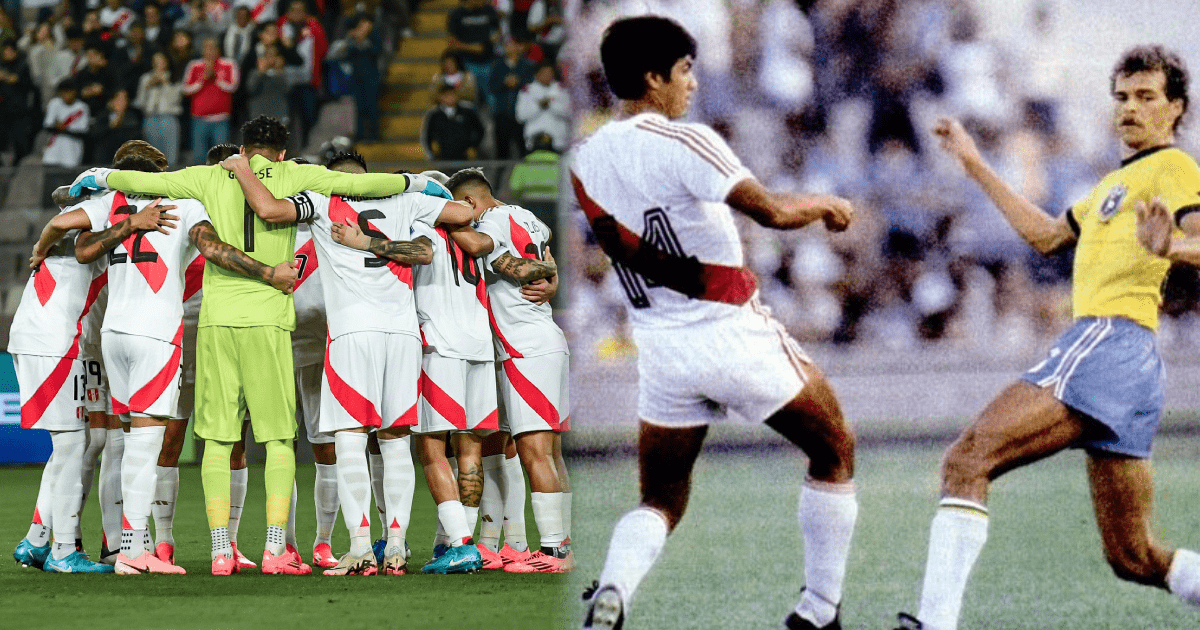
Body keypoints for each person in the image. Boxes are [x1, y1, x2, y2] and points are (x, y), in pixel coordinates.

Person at [893, 45, 1200, 630]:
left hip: (1107, 344)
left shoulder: (1175, 167)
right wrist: (975, 162)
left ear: (1175, 108)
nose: (1129, 109)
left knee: (966, 459)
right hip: (1130, 363)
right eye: (1121, 97)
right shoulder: (1115, 183)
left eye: (1146, 98)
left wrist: (1172, 249)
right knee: (1134, 556)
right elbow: (1046, 235)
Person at [67, 115, 454, 576]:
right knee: (278, 440)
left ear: (244, 148)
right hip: (271, 318)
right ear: (283, 153)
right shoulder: (298, 176)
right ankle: (275, 550)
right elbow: (367, 185)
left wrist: (98, 176)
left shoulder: (208, 176)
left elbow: (145, 181)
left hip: (216, 321)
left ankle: (219, 551)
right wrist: (416, 182)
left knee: (216, 438)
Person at [571, 16, 858, 630]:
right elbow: (774, 211)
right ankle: (819, 610)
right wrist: (827, 203)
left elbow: (612, 243)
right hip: (728, 329)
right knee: (833, 448)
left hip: (660, 347)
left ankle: (614, 589)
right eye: (684, 70)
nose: (694, 84)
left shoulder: (585, 158)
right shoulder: (685, 140)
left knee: (661, 499)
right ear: (653, 78)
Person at [44, 139, 296, 575]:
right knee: (145, 444)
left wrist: (116, 226)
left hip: (113, 334)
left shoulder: (112, 204)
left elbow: (76, 240)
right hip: (155, 336)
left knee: (124, 443)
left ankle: (130, 546)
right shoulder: (184, 204)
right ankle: (133, 553)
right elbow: (216, 250)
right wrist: (269, 272)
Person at [223, 149, 472, 576]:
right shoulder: (405, 199)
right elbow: (462, 213)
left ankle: (358, 549)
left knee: (351, 438)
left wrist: (242, 168)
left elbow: (266, 208)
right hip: (403, 333)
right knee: (395, 441)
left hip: (352, 334)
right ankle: (395, 546)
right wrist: (419, 182)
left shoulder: (321, 201)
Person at [444, 168, 570, 574]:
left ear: (470, 204)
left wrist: (434, 218)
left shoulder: (492, 220)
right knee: (550, 454)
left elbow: (479, 243)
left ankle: (552, 552)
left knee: (535, 452)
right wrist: (551, 276)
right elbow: (545, 238)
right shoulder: (526, 216)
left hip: (524, 348)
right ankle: (559, 546)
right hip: (545, 339)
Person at [182, 37, 240, 164]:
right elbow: (186, 89)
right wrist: (203, 80)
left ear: (218, 50)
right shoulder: (194, 65)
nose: (209, 51)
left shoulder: (229, 64)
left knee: (222, 157)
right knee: (199, 156)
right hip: (199, 119)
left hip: (221, 119)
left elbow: (233, 86)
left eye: (213, 47)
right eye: (206, 47)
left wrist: (216, 77)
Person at [136, 52, 184, 166]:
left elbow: (175, 100)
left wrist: (166, 83)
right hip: (150, 118)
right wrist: (148, 87)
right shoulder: (145, 78)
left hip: (169, 118)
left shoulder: (174, 78)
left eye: (161, 61)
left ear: (167, 62)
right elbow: (140, 102)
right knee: (153, 158)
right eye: (155, 62)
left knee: (171, 158)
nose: (158, 65)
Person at [421, 84, 485, 160]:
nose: (451, 98)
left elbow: (480, 130)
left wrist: (474, 146)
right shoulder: (434, 115)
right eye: (447, 95)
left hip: (465, 157)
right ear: (441, 97)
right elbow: (428, 136)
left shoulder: (467, 111)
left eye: (453, 94)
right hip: (443, 157)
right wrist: (432, 152)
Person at [515, 61, 568, 152]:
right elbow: (520, 117)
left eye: (550, 73)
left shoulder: (562, 89)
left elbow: (569, 113)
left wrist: (550, 105)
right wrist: (539, 106)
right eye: (544, 73)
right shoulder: (527, 90)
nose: (547, 76)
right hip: (534, 141)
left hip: (558, 141)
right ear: (537, 75)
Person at [43, 78, 89, 167]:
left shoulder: (82, 107)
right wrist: (60, 128)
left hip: (72, 151)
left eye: (68, 92)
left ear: (74, 92)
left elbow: (83, 132)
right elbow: (47, 126)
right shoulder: (54, 103)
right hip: (53, 151)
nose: (65, 95)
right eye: (62, 92)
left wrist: (61, 128)